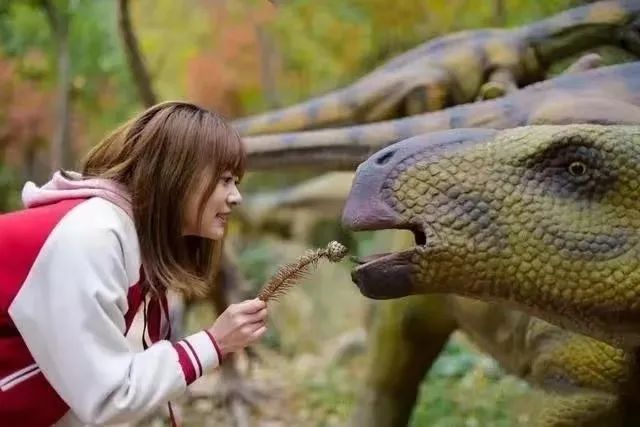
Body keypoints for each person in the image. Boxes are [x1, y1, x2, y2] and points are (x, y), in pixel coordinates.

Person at [0, 101, 268, 426]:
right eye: (224, 180)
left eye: (235, 181)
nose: (236, 196)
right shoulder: (91, 238)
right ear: (178, 176)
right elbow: (110, 397)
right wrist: (215, 342)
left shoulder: (125, 241)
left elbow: (85, 390)